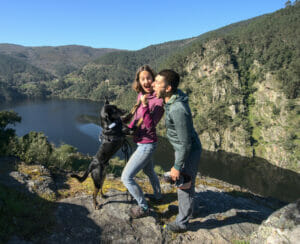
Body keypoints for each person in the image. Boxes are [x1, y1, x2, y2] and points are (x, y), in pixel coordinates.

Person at [152, 69, 202, 232]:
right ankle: (188, 209)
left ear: (168, 88)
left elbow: (186, 143)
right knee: (188, 183)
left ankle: (182, 223)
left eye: (158, 82)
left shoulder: (177, 109)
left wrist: (177, 166)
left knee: (183, 186)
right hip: (185, 149)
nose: (153, 84)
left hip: (187, 151)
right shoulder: (172, 99)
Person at [121, 65, 164, 218]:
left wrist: (145, 105)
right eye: (142, 79)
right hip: (140, 141)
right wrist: (128, 128)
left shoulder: (159, 100)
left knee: (126, 177)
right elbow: (138, 117)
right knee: (149, 171)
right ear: (139, 81)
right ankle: (158, 196)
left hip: (147, 144)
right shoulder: (140, 95)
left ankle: (143, 207)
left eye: (148, 78)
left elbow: (151, 126)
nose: (146, 81)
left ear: (153, 79)